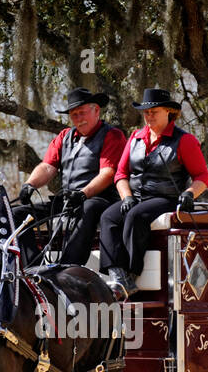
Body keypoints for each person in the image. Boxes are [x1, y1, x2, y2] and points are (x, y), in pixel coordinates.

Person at [99, 87, 208, 298]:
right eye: (146, 112)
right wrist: (127, 197)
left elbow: (202, 177)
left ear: (168, 111)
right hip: (137, 198)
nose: (149, 116)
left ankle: (132, 275)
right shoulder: (135, 138)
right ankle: (118, 275)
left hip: (166, 198)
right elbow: (120, 174)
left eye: (154, 112)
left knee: (135, 216)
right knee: (108, 217)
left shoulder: (184, 141)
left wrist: (189, 194)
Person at [17, 87, 127, 267]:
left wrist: (83, 194)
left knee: (89, 207)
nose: (78, 119)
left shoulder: (112, 135)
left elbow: (108, 174)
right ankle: (33, 267)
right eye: (74, 115)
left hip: (99, 199)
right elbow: (47, 166)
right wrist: (30, 184)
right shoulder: (64, 137)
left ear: (96, 110)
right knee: (16, 214)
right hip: (68, 200)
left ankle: (68, 267)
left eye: (82, 113)